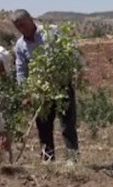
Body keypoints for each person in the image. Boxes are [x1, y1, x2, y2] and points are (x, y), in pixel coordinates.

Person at [12, 9, 79, 162]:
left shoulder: (52, 32)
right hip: (40, 91)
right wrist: (26, 92)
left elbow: (72, 50)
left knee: (67, 126)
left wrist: (72, 70)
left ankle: (73, 159)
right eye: (17, 26)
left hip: (62, 86)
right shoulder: (20, 45)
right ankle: (48, 159)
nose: (21, 28)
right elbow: (21, 70)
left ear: (30, 19)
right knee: (43, 127)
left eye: (23, 24)